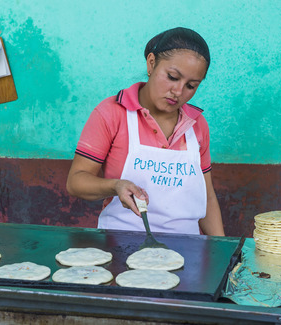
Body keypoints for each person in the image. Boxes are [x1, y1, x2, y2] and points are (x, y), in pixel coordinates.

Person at [67, 27, 225, 236]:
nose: (178, 92)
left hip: (188, 249)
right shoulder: (112, 114)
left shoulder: (196, 124)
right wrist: (115, 186)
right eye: (172, 77)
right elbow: (76, 181)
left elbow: (208, 197)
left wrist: (223, 251)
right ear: (151, 63)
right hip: (120, 245)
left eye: (191, 85)